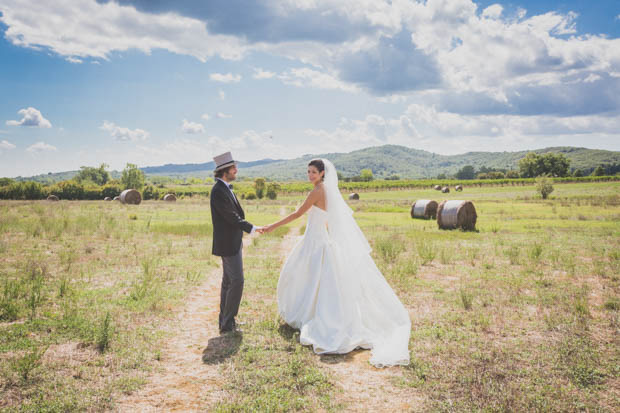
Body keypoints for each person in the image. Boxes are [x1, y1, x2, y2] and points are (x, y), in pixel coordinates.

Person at [263, 159, 410, 367]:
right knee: (314, 280)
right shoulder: (327, 190)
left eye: (314, 172)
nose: (310, 175)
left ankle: (311, 316)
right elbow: (326, 218)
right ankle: (311, 313)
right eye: (308, 172)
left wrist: (272, 226)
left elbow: (298, 214)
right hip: (320, 240)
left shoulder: (316, 191)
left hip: (314, 242)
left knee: (304, 277)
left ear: (323, 173)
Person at [210, 151, 263, 334]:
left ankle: (225, 321)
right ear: (225, 171)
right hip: (228, 243)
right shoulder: (218, 191)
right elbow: (231, 217)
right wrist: (252, 228)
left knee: (228, 281)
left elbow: (234, 216)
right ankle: (228, 322)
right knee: (237, 281)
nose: (236, 170)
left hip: (232, 241)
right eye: (234, 168)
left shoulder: (225, 188)